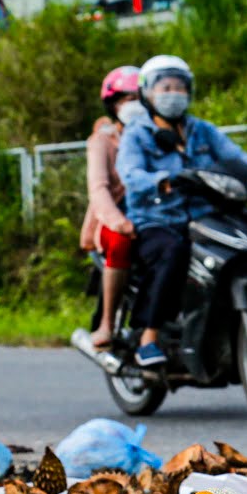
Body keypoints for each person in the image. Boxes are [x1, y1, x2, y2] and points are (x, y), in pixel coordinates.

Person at [114, 54, 247, 370]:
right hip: (156, 220)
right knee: (174, 252)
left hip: (202, 216)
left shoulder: (201, 130)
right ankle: (148, 338)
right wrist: (163, 181)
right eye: (165, 87)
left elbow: (236, 158)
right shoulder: (137, 133)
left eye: (180, 87)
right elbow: (130, 174)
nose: (173, 94)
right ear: (148, 93)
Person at [79, 65, 144, 349]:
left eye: (139, 98)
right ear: (113, 105)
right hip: (115, 217)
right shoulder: (103, 141)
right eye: (127, 100)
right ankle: (107, 323)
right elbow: (99, 190)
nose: (134, 106)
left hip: (154, 214)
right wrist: (119, 222)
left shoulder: (156, 134)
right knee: (120, 243)